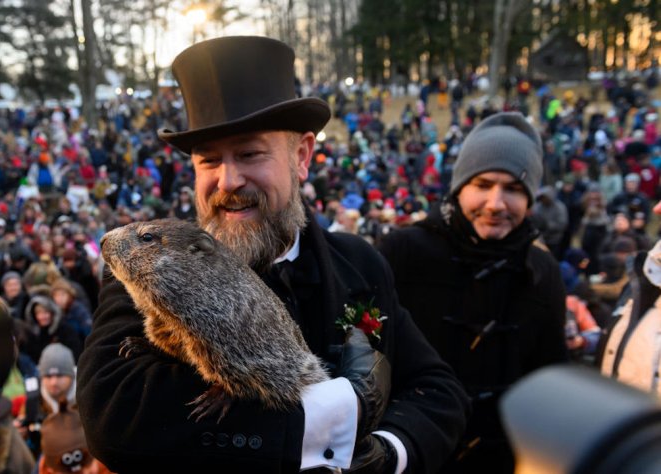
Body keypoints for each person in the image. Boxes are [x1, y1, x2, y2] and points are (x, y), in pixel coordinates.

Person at [77, 36, 469, 474]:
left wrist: (385, 452)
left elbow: (437, 391)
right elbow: (112, 414)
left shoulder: (359, 263)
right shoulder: (150, 264)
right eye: (209, 160)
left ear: (301, 156)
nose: (228, 180)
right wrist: (327, 423)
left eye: (249, 153)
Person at [376, 112, 569, 473]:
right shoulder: (402, 251)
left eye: (513, 189)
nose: (496, 203)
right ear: (460, 186)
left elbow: (551, 384)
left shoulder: (543, 272)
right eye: (483, 184)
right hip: (411, 455)